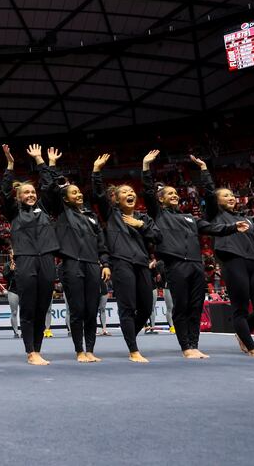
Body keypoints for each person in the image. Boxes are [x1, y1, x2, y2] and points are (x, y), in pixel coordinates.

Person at [142, 150, 248, 357]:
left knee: (196, 306)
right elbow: (147, 192)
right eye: (169, 194)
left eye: (175, 193)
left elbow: (213, 228)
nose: (174, 195)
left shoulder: (190, 218)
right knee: (181, 306)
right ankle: (186, 347)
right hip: (175, 265)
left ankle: (194, 344)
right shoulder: (159, 215)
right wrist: (146, 167)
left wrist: (234, 227)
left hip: (195, 266)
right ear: (161, 200)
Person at [198, 155, 254, 357]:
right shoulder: (215, 215)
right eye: (225, 195)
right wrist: (205, 170)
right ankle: (252, 347)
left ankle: (242, 333)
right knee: (240, 308)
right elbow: (208, 192)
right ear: (216, 200)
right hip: (233, 262)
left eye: (232, 195)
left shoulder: (246, 220)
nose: (231, 197)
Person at [92, 153, 161, 363]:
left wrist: (141, 226)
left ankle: (130, 335)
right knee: (127, 307)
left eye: (131, 191)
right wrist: (96, 170)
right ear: (117, 198)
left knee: (147, 307)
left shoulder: (143, 218)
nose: (129, 193)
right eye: (124, 192)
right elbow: (98, 195)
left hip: (142, 265)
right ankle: (133, 349)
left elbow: (157, 236)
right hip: (121, 264)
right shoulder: (112, 215)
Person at [47, 152, 111, 362]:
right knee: (78, 309)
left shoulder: (91, 217)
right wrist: (53, 165)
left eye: (79, 192)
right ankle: (79, 350)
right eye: (73, 193)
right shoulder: (63, 212)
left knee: (91, 309)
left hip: (93, 266)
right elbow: (54, 191)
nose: (79, 195)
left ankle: (90, 350)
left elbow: (101, 243)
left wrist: (105, 263)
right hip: (71, 265)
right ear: (65, 198)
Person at [1, 144, 59, 364]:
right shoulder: (13, 211)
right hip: (25, 260)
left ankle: (37, 350)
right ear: (18, 196)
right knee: (28, 306)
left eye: (33, 192)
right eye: (26, 192)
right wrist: (10, 165)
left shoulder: (43, 208)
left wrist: (41, 162)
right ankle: (30, 351)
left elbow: (50, 186)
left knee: (42, 306)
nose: (31, 194)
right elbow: (3, 191)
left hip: (46, 259)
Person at [3, 253, 20, 338]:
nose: (12, 254)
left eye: (14, 252)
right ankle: (16, 332)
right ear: (9, 255)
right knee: (14, 312)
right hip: (12, 291)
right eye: (11, 253)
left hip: (23, 290)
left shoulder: (22, 263)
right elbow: (5, 277)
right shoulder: (7, 265)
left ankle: (25, 331)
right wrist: (11, 271)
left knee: (25, 312)